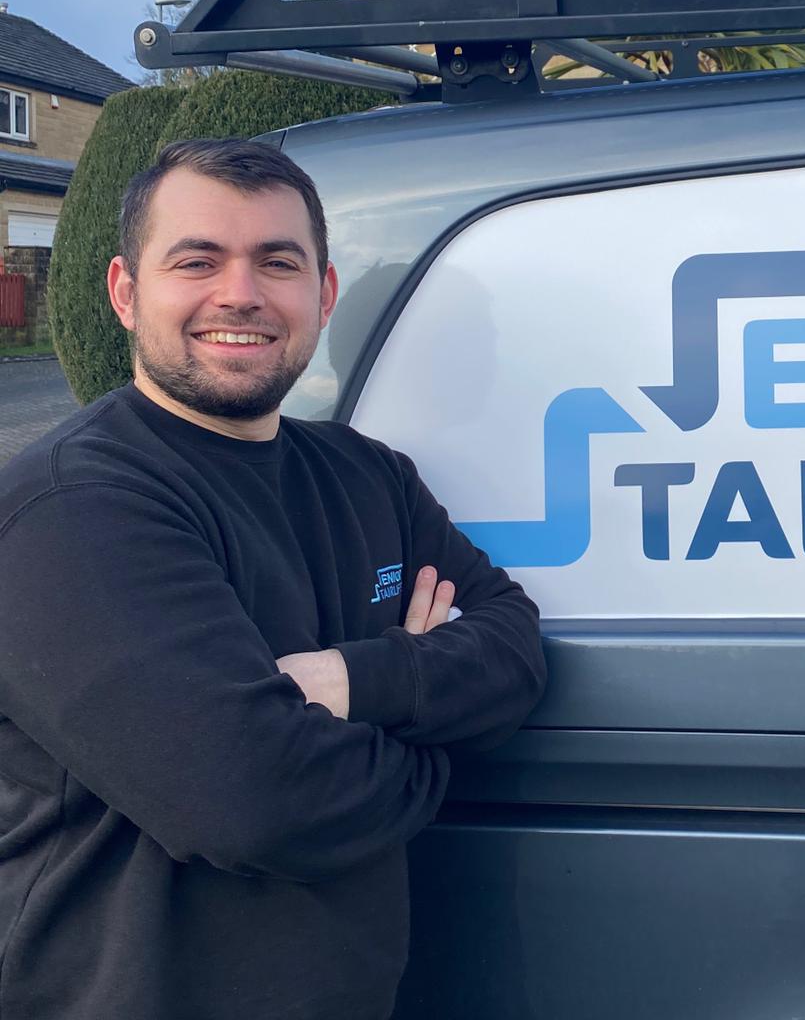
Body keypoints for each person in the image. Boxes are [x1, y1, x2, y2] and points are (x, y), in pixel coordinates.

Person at [0, 138, 546, 1019]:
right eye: (197, 261)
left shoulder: (370, 476)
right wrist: (434, 739)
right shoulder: (75, 508)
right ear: (126, 294)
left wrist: (352, 678)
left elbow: (514, 648)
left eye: (277, 262)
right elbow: (258, 803)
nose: (241, 293)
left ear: (321, 295)